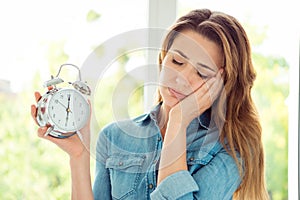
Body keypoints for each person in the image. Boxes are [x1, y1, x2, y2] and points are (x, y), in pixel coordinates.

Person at [31, 8, 269, 200]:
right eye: (176, 61)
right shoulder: (114, 137)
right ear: (162, 58)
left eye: (202, 73)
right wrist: (79, 156)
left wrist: (178, 121)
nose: (182, 78)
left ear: (222, 85)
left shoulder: (231, 151)